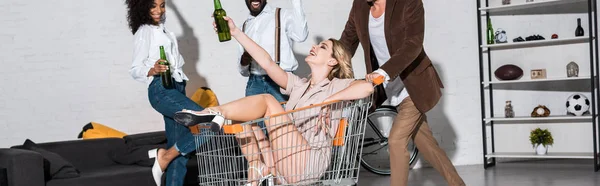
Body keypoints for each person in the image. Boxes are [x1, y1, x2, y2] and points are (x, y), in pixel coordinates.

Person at [172, 16, 375, 185]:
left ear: (332, 61)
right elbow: (267, 62)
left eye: (322, 47)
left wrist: (329, 100)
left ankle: (214, 112)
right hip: (285, 159)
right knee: (241, 121)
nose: (314, 46)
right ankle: (257, 168)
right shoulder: (298, 85)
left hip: (309, 162)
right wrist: (236, 33)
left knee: (269, 100)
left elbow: (366, 87)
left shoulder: (336, 85)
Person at [338, 0, 466, 186]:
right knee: (427, 144)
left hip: (414, 85)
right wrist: (329, 67)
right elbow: (346, 43)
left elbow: (413, 44)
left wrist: (382, 73)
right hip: (392, 88)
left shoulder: (409, 2)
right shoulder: (360, 5)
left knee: (396, 141)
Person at [125, 0, 207, 185]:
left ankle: (166, 157)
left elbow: (186, 30)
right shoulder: (144, 31)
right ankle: (164, 156)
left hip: (176, 88)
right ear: (142, 7)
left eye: (162, 5)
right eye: (153, 5)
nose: (158, 10)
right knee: (210, 122)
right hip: (161, 89)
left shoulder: (164, 31)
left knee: (179, 154)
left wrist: (176, 9)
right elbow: (135, 69)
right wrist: (152, 70)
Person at [238, 0, 308, 102]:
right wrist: (243, 62)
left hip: (280, 83)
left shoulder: (281, 15)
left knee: (282, 118)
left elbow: (301, 36)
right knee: (254, 118)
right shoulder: (244, 27)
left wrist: (296, 2)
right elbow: (243, 72)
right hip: (254, 84)